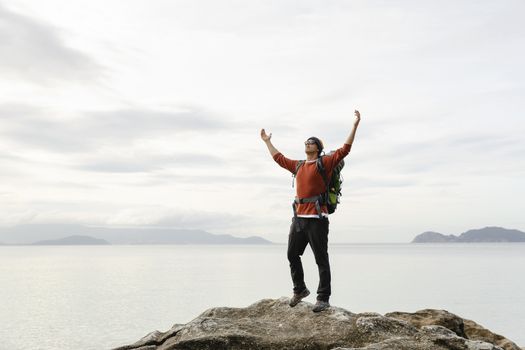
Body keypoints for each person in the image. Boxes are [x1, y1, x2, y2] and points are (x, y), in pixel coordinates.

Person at [260, 110, 361, 312]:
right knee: (291, 255)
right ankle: (300, 289)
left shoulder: (325, 163)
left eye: (311, 142)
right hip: (298, 218)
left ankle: (323, 298)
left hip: (317, 218)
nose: (307, 144)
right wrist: (267, 142)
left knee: (320, 258)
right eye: (306, 142)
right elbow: (279, 158)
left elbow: (345, 150)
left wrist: (355, 125)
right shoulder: (298, 166)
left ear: (318, 148)